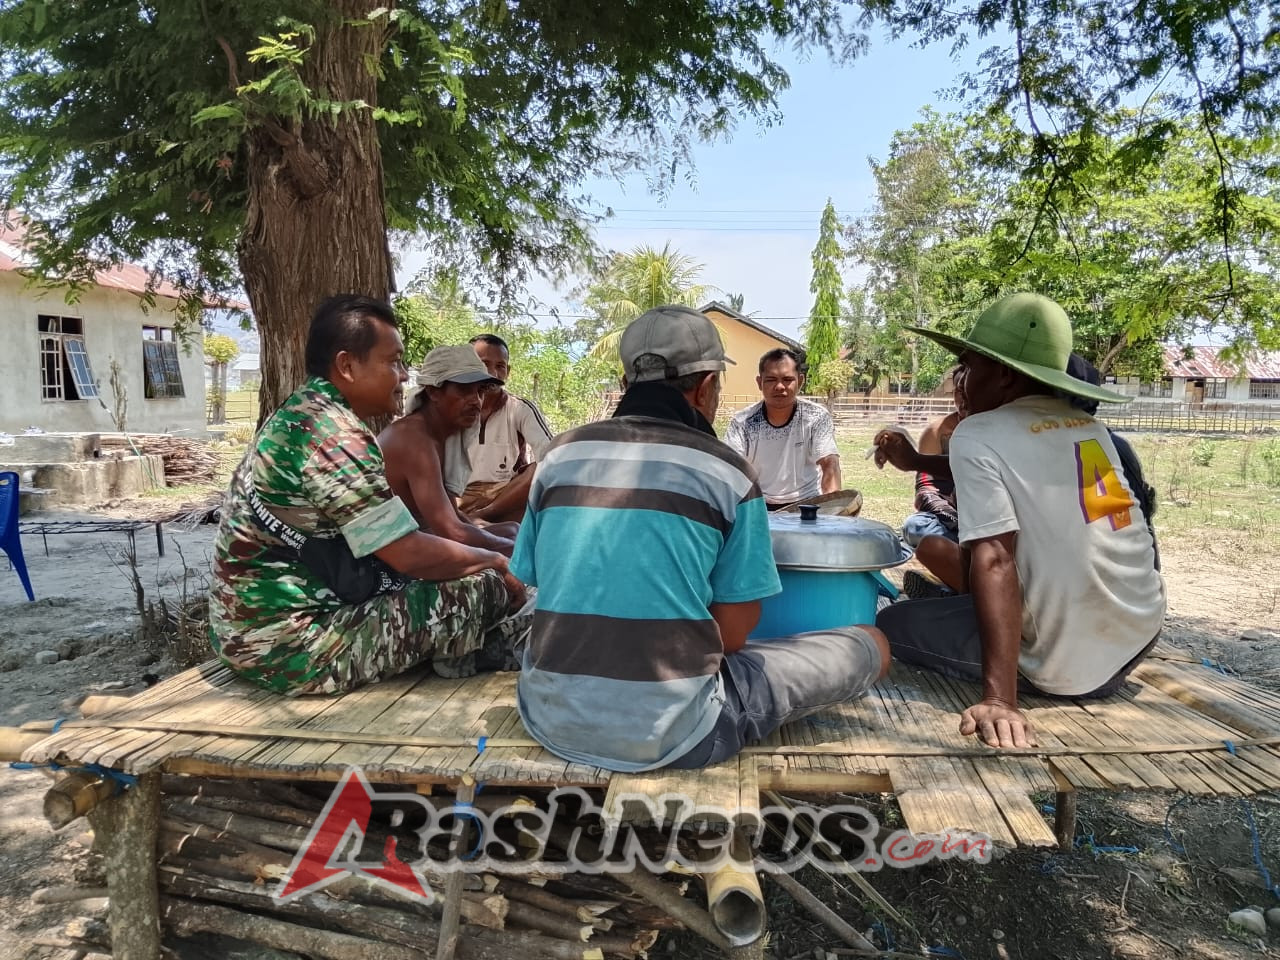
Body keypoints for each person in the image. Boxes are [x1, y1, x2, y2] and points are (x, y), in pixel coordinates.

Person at [509, 305, 890, 773]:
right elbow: (732, 634)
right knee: (873, 641)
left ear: (627, 381)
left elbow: (536, 580)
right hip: (676, 732)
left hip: (550, 717)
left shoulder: (558, 457)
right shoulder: (725, 472)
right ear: (706, 385)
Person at [872, 293, 1165, 749]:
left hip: (1067, 667)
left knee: (892, 627)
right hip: (1137, 632)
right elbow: (1016, 467)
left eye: (968, 366)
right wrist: (918, 461)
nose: (960, 379)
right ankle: (959, 607)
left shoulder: (977, 432)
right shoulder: (1086, 427)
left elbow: (994, 560)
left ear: (1004, 375)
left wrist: (1001, 700)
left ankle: (966, 620)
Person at [208, 295, 528, 696]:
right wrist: (497, 560)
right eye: (393, 362)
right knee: (485, 585)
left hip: (247, 631)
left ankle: (462, 648)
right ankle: (468, 655)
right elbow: (408, 551)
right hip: (291, 648)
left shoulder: (299, 414)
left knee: (467, 569)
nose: (403, 375)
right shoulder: (337, 436)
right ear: (347, 365)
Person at [379, 345, 519, 555]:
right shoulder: (413, 439)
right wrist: (523, 552)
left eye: (480, 391)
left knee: (513, 530)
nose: (476, 401)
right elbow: (452, 531)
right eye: (464, 390)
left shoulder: (444, 437)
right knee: (507, 554)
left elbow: (453, 516)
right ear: (434, 391)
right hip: (397, 554)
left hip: (427, 536)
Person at [454, 334, 556, 524]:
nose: (493, 373)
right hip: (456, 495)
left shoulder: (520, 408)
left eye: (500, 366)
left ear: (507, 372)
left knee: (543, 465)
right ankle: (466, 521)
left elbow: (550, 454)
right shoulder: (450, 408)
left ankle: (481, 517)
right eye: (484, 364)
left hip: (503, 497)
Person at [725, 348, 841, 508]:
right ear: (759, 383)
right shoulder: (742, 422)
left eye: (787, 379)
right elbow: (732, 471)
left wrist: (832, 513)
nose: (779, 386)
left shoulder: (816, 417)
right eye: (771, 380)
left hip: (806, 505)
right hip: (757, 505)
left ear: (800, 381)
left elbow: (830, 464)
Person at [900, 368, 967, 548]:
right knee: (916, 528)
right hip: (949, 515)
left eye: (970, 390)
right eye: (959, 391)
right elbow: (925, 488)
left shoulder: (1002, 429)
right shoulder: (938, 431)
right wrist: (950, 516)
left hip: (994, 519)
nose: (964, 399)